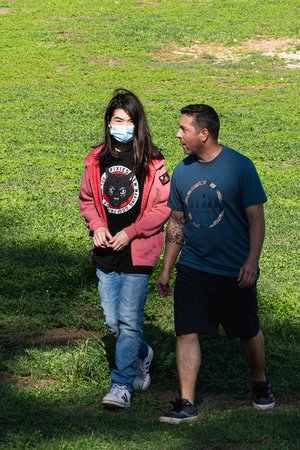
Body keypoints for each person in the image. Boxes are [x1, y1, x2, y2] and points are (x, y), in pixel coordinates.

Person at [156, 104, 275, 424]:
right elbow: (176, 224)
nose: (178, 135)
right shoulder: (182, 171)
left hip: (234, 270)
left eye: (184, 129)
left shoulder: (240, 167)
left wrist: (251, 262)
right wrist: (167, 269)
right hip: (193, 268)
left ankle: (260, 382)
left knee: (247, 332)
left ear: (204, 134)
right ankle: (186, 402)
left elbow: (256, 219)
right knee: (186, 331)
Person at [79, 89, 171, 408]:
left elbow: (163, 207)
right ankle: (142, 354)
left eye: (130, 121)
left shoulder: (153, 162)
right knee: (113, 323)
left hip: (138, 252)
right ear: (108, 122)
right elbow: (87, 200)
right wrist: (98, 226)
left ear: (138, 124)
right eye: (118, 120)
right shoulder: (95, 159)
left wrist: (131, 233)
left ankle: (121, 385)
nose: (124, 126)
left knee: (130, 321)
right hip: (107, 252)